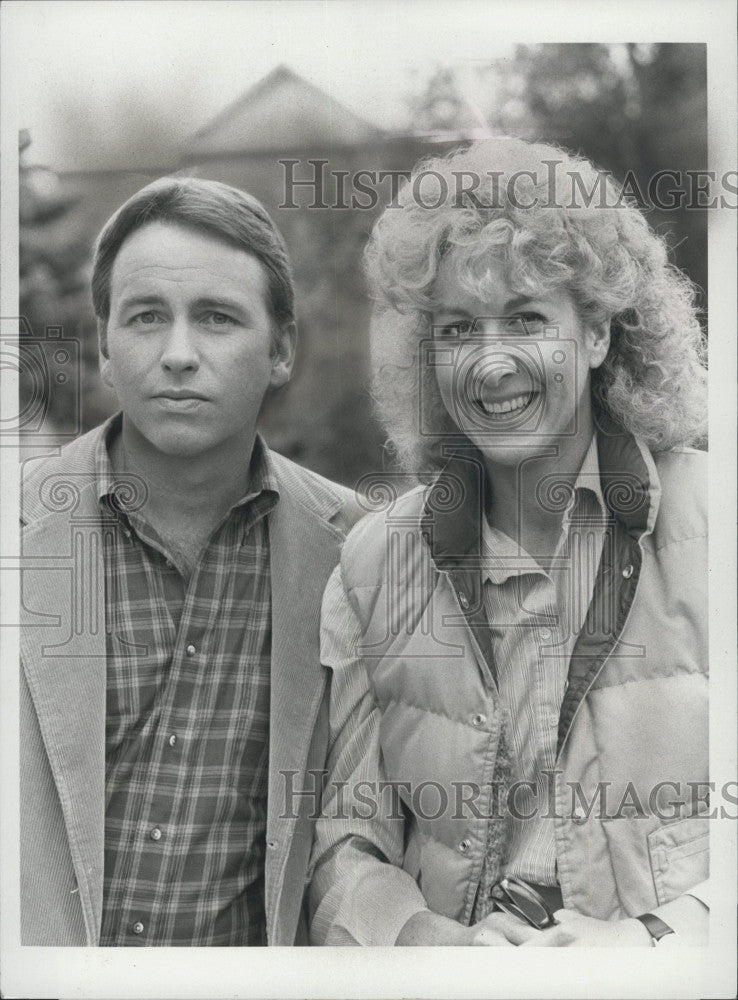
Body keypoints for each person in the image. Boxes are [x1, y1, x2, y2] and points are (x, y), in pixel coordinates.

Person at [309, 137, 709, 947]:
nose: (491, 365)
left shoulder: (716, 526)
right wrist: (430, 944)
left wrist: (652, 943)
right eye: (458, 328)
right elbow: (345, 845)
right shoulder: (373, 564)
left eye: (526, 318)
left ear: (597, 336)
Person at [19, 176, 363, 946]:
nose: (178, 355)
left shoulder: (356, 554)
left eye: (216, 318)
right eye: (146, 318)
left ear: (280, 350)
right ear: (105, 348)